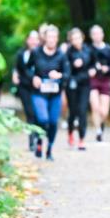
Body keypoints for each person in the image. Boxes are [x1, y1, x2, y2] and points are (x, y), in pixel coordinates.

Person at [27, 25, 70, 161]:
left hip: (54, 94)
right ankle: (39, 141)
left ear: (57, 39)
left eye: (54, 37)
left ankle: (49, 148)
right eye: (49, 37)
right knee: (43, 119)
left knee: (52, 122)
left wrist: (59, 75)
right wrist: (33, 77)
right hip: (39, 93)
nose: (52, 40)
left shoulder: (61, 56)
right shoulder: (36, 52)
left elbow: (68, 74)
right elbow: (26, 69)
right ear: (44, 38)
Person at [65, 27, 94, 151]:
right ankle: (70, 132)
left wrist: (94, 69)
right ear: (70, 40)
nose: (76, 41)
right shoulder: (68, 52)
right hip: (72, 84)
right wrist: (72, 64)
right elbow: (64, 68)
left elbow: (94, 63)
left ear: (82, 38)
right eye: (73, 39)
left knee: (82, 111)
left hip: (85, 84)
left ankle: (82, 139)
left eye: (78, 38)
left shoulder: (88, 49)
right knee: (73, 111)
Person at [88, 25, 110, 142]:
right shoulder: (88, 49)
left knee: (104, 112)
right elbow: (86, 64)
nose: (97, 36)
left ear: (102, 34)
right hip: (93, 80)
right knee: (95, 106)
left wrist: (107, 69)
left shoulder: (109, 49)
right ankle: (98, 131)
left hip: (106, 80)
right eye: (94, 34)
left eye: (99, 33)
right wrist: (90, 70)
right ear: (91, 36)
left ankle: (101, 124)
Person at [12, 30, 41, 151]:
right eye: (31, 38)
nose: (34, 41)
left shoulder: (42, 53)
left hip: (39, 88)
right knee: (30, 113)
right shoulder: (21, 54)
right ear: (27, 40)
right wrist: (14, 74)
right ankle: (31, 140)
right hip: (24, 86)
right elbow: (17, 67)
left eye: (36, 39)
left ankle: (39, 139)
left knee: (39, 114)